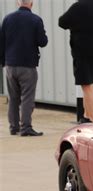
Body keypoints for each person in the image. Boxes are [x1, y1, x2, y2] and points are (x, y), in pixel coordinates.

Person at [0, 0, 48, 136]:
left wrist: (4, 62)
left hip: (10, 65)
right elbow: (43, 42)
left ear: (18, 3)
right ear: (31, 3)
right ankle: (26, 127)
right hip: (27, 66)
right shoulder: (36, 20)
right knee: (27, 97)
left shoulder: (7, 19)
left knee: (13, 98)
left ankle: (13, 127)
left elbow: (1, 42)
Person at [59, 0, 93, 123]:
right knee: (91, 85)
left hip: (84, 52)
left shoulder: (79, 6)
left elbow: (62, 22)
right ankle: (87, 116)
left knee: (86, 85)